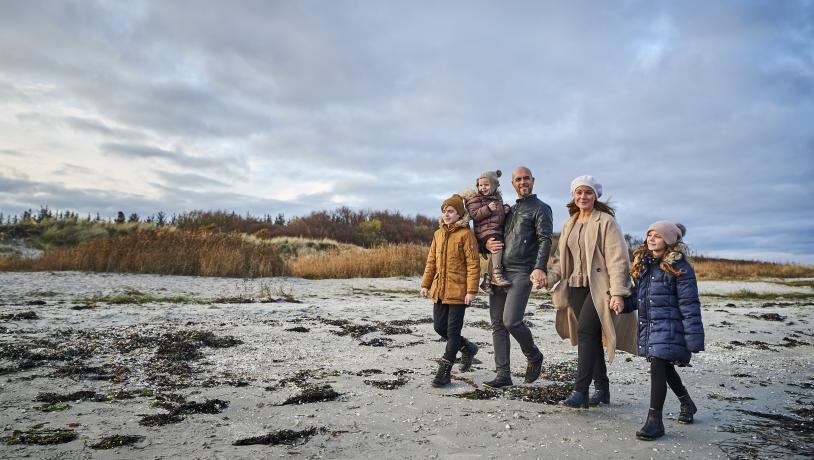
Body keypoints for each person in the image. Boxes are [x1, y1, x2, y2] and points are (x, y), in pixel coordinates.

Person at [547, 175, 637, 408]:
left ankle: (580, 391)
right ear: (573, 196)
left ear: (595, 196)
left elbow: (619, 259)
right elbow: (560, 259)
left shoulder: (606, 221)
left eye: (588, 192)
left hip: (600, 287)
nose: (583, 197)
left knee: (586, 331)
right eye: (579, 192)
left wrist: (618, 292)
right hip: (575, 286)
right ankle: (603, 390)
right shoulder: (570, 223)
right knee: (591, 337)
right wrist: (549, 278)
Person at [615, 221, 705, 440]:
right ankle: (687, 402)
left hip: (671, 327)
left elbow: (689, 304)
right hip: (651, 326)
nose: (651, 239)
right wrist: (624, 305)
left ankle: (655, 422)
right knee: (664, 369)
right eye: (649, 235)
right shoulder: (644, 265)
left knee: (657, 366)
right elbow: (639, 297)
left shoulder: (680, 267)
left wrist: (694, 338)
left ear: (670, 240)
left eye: (657, 235)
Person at [482, 166, 552, 388]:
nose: (522, 182)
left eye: (526, 178)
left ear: (533, 180)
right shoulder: (508, 210)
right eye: (518, 179)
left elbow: (545, 239)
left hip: (522, 271)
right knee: (497, 324)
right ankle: (503, 375)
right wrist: (486, 243)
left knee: (511, 321)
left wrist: (539, 267)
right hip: (498, 271)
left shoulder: (541, 208)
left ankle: (534, 355)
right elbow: (491, 232)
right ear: (512, 183)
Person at [420, 194, 481, 387]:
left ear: (459, 213)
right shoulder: (438, 234)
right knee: (439, 327)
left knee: (453, 331)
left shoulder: (466, 234)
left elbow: (473, 264)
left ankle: (444, 372)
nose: (446, 215)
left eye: (451, 211)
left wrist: (471, 290)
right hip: (439, 290)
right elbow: (431, 262)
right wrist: (425, 284)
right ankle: (468, 347)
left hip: (459, 292)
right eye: (444, 211)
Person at [465, 169, 511, 293]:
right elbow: (474, 214)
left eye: (486, 185)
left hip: (494, 230)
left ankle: (487, 280)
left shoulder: (497, 198)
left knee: (497, 250)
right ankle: (496, 274)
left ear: (494, 186)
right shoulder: (475, 199)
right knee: (497, 246)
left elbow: (498, 215)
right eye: (480, 185)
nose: (482, 188)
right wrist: (487, 209)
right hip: (484, 231)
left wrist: (504, 209)